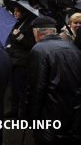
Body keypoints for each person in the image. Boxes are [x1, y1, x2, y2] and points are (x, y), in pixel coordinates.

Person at [25, 16, 81, 144]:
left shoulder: (39, 50)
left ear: (37, 32)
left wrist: (31, 119)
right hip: (72, 116)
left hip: (49, 117)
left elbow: (36, 89)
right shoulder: (72, 47)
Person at [5, 3, 36, 118]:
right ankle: (13, 110)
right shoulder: (18, 23)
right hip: (13, 59)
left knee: (21, 89)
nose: (15, 13)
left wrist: (19, 36)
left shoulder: (30, 24)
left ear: (24, 12)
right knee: (13, 87)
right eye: (14, 10)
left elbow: (31, 44)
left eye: (18, 11)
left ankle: (21, 114)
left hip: (22, 61)